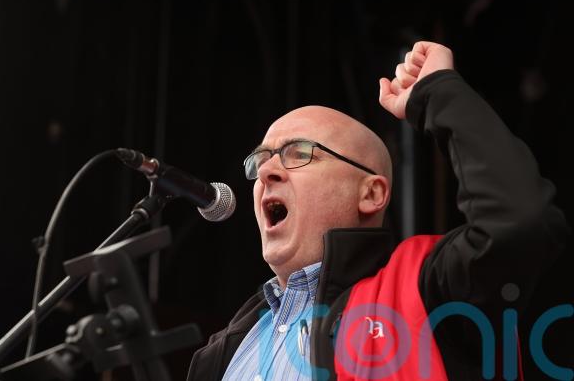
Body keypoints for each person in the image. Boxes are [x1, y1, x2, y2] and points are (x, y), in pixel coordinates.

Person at [186, 42, 570, 380]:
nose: (267, 171)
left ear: (371, 194)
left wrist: (439, 93)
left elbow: (519, 221)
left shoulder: (428, 293)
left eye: (299, 153)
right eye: (261, 160)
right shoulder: (222, 352)